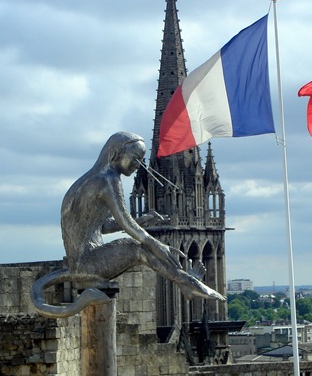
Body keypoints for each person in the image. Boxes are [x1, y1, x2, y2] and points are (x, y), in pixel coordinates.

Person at [31, 131, 224, 318]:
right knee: (136, 248)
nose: (138, 165)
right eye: (135, 158)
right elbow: (125, 221)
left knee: (139, 247)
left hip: (81, 264)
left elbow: (102, 226)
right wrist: (156, 244)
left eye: (141, 160)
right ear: (117, 153)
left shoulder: (89, 180)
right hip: (87, 264)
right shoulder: (108, 179)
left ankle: (185, 282)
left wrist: (141, 221)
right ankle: (186, 281)